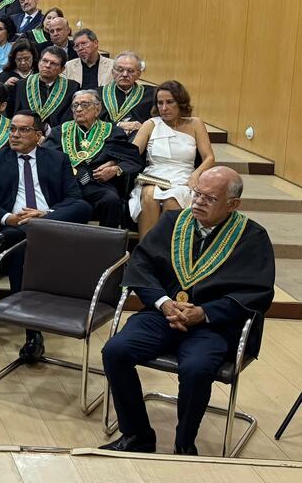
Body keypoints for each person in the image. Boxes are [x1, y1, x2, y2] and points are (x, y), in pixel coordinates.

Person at [100, 167, 274, 456]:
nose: (198, 202)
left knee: (196, 369)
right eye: (197, 194)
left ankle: (184, 443)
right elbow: (141, 265)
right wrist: (163, 302)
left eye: (210, 198)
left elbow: (256, 292)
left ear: (233, 204)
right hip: (162, 314)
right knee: (115, 351)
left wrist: (204, 312)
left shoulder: (252, 237)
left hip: (213, 325)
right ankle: (137, 435)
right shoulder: (172, 222)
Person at [0, 110, 92, 363]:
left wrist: (44, 215)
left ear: (38, 135)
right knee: (23, 248)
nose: (15, 135)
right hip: (15, 224)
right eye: (12, 129)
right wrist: (8, 218)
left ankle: (10, 236)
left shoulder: (57, 159)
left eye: (23, 130)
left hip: (50, 224)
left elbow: (74, 199)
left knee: (83, 207)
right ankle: (32, 334)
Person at [44, 90, 143, 228]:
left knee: (111, 200)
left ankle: (106, 241)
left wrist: (115, 168)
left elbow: (131, 158)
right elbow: (47, 158)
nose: (78, 109)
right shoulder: (59, 132)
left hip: (96, 184)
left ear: (98, 109)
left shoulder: (112, 131)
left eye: (84, 105)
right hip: (66, 184)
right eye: (75, 105)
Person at [129, 81, 216, 239]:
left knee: (173, 199)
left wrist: (196, 175)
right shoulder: (151, 125)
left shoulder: (195, 124)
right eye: (160, 103)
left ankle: (170, 251)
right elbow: (131, 154)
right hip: (153, 175)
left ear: (180, 102)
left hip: (183, 178)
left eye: (169, 102)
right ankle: (145, 250)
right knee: (149, 195)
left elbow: (209, 158)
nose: (164, 108)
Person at [10, 46, 80, 128]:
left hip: (57, 133)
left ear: (62, 69)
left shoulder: (72, 87)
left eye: (53, 63)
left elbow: (69, 119)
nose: (47, 65)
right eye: (45, 61)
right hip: (26, 131)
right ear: (39, 62)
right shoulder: (21, 85)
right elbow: (15, 114)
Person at [100, 51, 155, 136]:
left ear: (139, 74)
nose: (125, 74)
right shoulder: (98, 95)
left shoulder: (151, 94)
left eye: (130, 71)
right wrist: (119, 125)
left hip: (138, 138)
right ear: (113, 72)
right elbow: (92, 123)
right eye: (120, 70)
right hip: (106, 138)